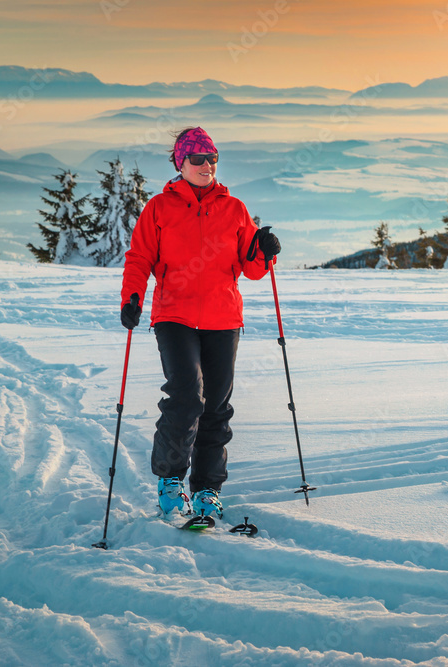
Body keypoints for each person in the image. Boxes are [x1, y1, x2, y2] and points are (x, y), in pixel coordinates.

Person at [119, 127, 281, 519]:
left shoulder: (234, 208)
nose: (207, 166)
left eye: (212, 158)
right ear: (180, 162)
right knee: (188, 395)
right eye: (197, 159)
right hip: (174, 315)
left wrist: (265, 253)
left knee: (216, 406)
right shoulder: (159, 208)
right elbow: (139, 258)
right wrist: (132, 297)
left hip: (223, 318)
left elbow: (251, 268)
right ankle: (171, 479)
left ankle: (208, 488)